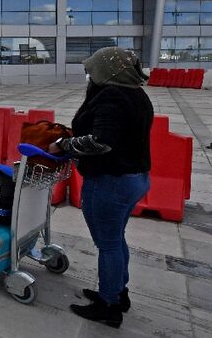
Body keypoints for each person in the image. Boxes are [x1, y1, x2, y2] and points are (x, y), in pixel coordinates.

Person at [49, 47, 152, 329]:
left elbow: (101, 141)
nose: (89, 76)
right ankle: (118, 293)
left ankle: (108, 306)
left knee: (107, 244)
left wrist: (63, 146)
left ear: (107, 72)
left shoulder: (112, 97)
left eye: (92, 71)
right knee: (116, 239)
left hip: (112, 180)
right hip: (134, 178)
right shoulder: (135, 93)